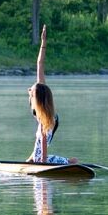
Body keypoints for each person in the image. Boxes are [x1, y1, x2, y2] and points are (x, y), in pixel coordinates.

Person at [26, 25, 77, 165]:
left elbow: (42, 140)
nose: (29, 90)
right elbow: (40, 64)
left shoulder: (42, 108)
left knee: (41, 142)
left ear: (36, 97)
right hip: (48, 120)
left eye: (31, 90)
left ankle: (71, 163)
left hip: (49, 122)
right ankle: (67, 162)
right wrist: (43, 42)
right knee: (38, 146)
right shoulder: (41, 92)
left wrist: (41, 163)